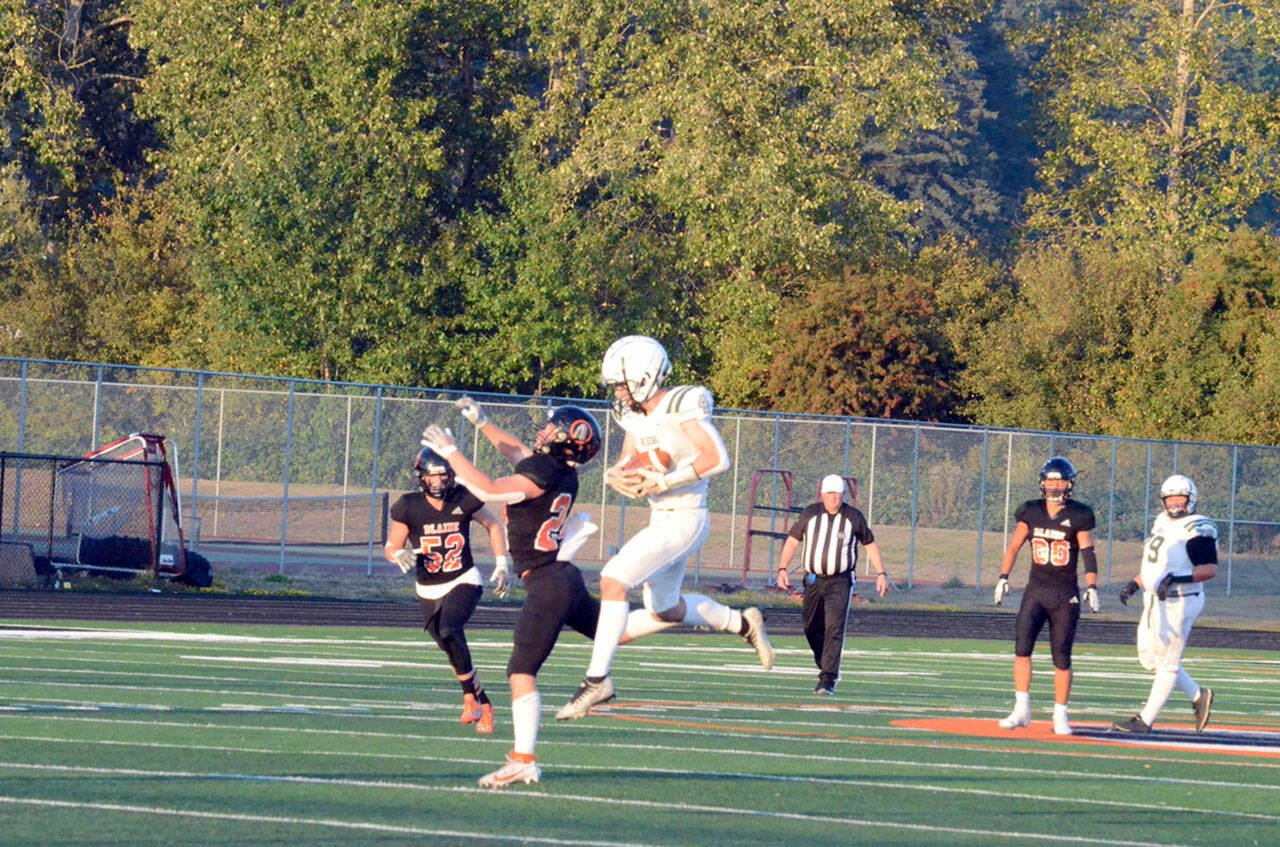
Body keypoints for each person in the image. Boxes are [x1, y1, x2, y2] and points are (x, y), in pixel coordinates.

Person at [555, 335, 775, 721]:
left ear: (644, 376)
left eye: (623, 383)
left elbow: (717, 458)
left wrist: (665, 481)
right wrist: (616, 474)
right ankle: (742, 622)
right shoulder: (633, 414)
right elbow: (630, 456)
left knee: (613, 580)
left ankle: (596, 680)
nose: (619, 392)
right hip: (663, 517)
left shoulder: (682, 404)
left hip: (687, 515)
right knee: (665, 610)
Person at [419, 399, 604, 789]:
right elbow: (518, 453)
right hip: (560, 576)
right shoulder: (560, 472)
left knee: (521, 672)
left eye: (554, 429)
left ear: (568, 442)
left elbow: (488, 489)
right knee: (614, 632)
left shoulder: (546, 470)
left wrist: (452, 453)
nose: (545, 431)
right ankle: (723, 619)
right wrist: (484, 422)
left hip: (547, 580)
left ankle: (523, 759)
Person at [384, 446, 508, 735]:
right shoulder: (408, 505)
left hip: (463, 577)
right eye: (434, 476)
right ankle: (484, 703)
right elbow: (392, 544)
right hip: (428, 587)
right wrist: (396, 554)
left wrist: (501, 563)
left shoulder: (463, 498)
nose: (440, 482)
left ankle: (469, 700)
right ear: (422, 477)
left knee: (451, 628)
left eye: (444, 476)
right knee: (449, 646)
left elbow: (492, 523)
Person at [993, 457, 1099, 736]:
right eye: (1050, 481)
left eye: (1060, 481)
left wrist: (1092, 586)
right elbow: (1014, 547)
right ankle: (1021, 708)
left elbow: (1087, 551)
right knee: (1021, 648)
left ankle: (1060, 714)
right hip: (1035, 590)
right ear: (1042, 483)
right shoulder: (1031, 511)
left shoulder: (1079, 515)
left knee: (1061, 656)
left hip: (1065, 594)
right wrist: (1003, 577)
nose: (1055, 486)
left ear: (1069, 484)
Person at [1111, 474, 1217, 734]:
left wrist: (1175, 579)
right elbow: (1158, 564)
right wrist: (1136, 583)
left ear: (1190, 499)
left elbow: (1209, 570)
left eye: (1180, 497)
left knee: (1168, 663)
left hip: (1181, 601)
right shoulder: (1161, 522)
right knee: (1153, 659)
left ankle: (1145, 720)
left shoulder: (1197, 527)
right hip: (1155, 599)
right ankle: (1197, 694)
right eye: (1170, 498)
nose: (1175, 503)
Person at [775, 474, 889, 695]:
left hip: (840, 581)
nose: (833, 498)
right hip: (813, 579)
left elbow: (870, 544)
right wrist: (782, 568)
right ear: (822, 494)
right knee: (811, 627)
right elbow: (792, 540)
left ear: (842, 495)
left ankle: (828, 678)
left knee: (834, 627)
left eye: (837, 494)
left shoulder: (853, 517)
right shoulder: (810, 514)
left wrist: (881, 573)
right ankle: (824, 661)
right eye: (829, 494)